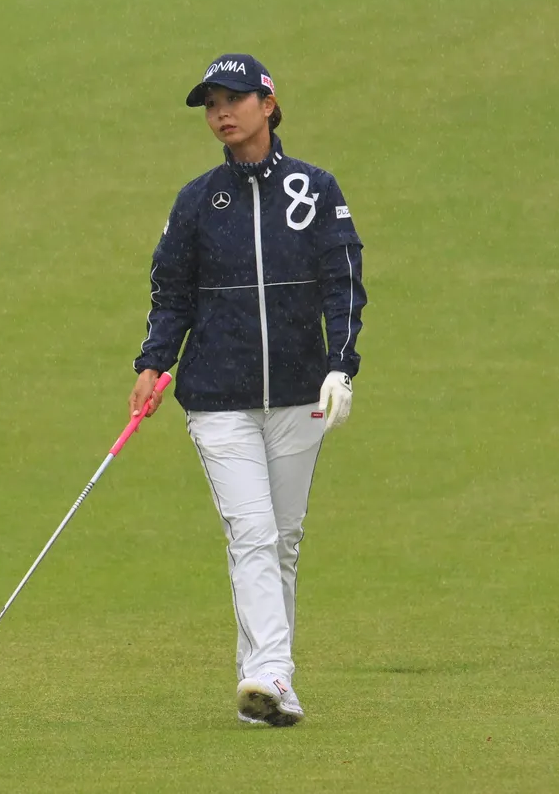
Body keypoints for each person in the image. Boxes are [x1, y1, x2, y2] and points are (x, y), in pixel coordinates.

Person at [128, 53, 367, 727]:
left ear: (268, 103)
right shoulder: (198, 201)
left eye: (232, 99)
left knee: (282, 539)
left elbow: (344, 283)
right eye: (211, 105)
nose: (221, 114)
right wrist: (152, 362)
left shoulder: (314, 189)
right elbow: (171, 294)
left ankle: (265, 684)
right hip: (218, 399)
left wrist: (341, 366)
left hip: (298, 394)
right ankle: (271, 673)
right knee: (253, 531)